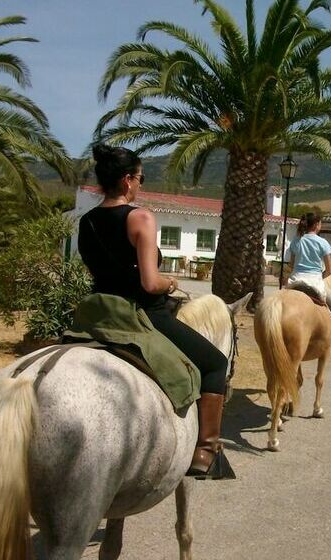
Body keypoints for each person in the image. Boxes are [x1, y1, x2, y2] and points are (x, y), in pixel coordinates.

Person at [77, 144, 233, 480]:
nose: (141, 185)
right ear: (128, 180)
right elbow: (149, 283)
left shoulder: (86, 222)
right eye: (141, 178)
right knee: (216, 363)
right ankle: (206, 450)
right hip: (143, 314)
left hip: (99, 313)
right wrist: (170, 281)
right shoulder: (141, 217)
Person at [287, 213, 331, 354]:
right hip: (314, 280)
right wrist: (321, 275)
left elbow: (291, 264)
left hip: (296, 279)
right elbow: (329, 270)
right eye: (320, 223)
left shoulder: (296, 241)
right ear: (316, 225)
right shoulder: (323, 243)